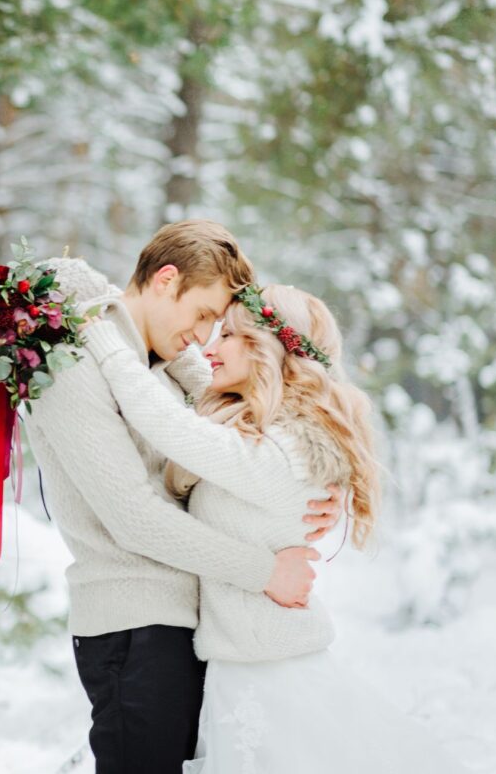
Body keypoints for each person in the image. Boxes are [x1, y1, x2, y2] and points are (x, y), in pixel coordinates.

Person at [79, 282, 466, 773]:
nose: (209, 347)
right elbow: (202, 420)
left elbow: (169, 428)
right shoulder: (271, 433)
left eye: (230, 336)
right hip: (241, 669)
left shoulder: (285, 452)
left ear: (270, 349)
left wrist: (107, 344)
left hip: (269, 677)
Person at [25, 220, 343, 774]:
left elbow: (255, 423)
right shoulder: (73, 363)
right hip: (133, 624)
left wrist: (317, 482)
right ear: (165, 280)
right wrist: (265, 571)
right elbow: (135, 519)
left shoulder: (162, 362)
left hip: (188, 624)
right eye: (201, 316)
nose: (204, 336)